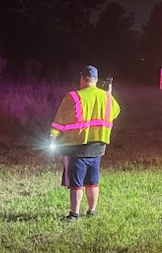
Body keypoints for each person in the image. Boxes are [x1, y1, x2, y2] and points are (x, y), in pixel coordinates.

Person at [49, 65, 121, 220]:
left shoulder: (73, 97)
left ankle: (74, 214)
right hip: (99, 146)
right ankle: (91, 211)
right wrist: (109, 92)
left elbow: (60, 120)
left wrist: (53, 135)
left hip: (77, 146)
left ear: (82, 78)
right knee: (93, 181)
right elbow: (114, 112)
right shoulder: (107, 97)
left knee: (76, 183)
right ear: (96, 80)